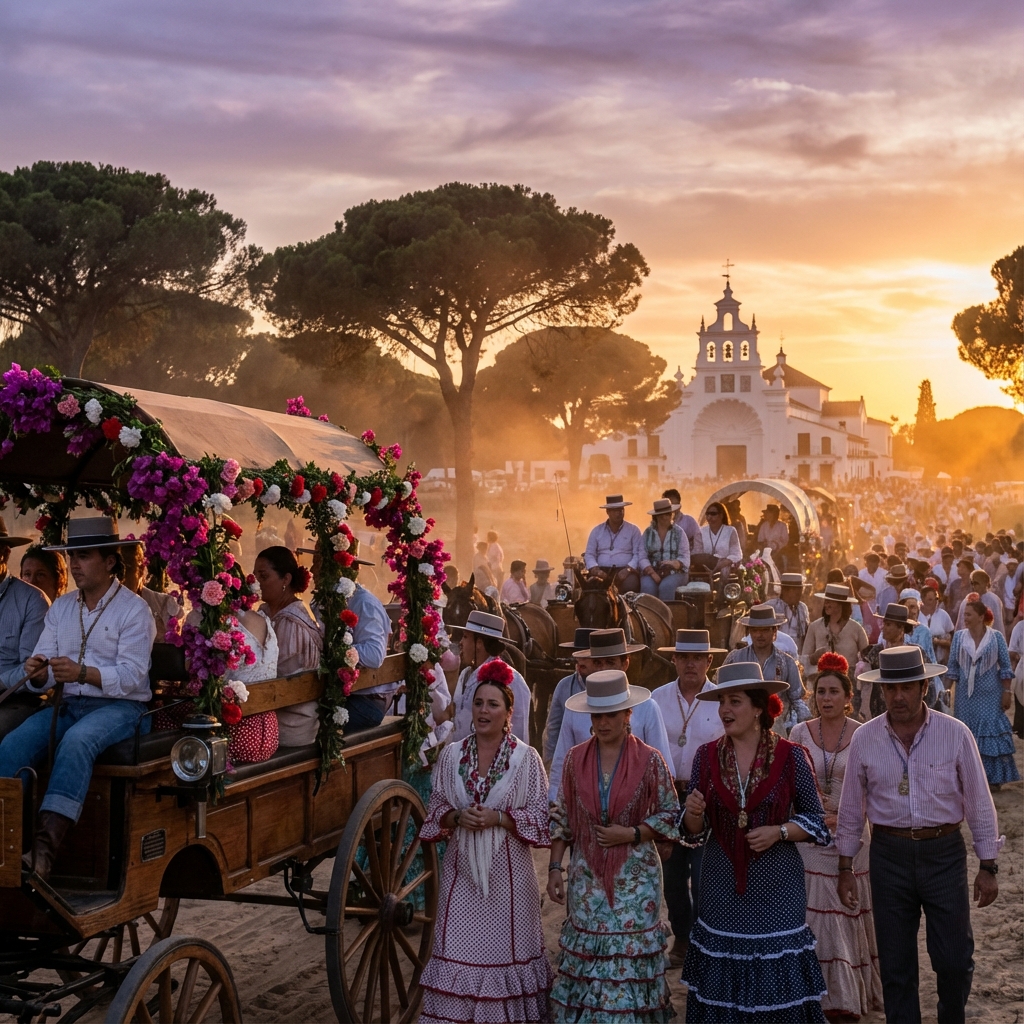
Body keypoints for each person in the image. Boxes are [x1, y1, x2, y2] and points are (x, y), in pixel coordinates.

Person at [837, 646, 1002, 1024]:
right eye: (891, 688)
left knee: (954, 959)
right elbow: (850, 809)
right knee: (896, 965)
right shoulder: (865, 739)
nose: (898, 696)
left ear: (924, 687)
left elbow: (979, 802)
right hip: (888, 855)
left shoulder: (955, 733)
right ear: (881, 690)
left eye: (907, 687)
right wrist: (845, 865)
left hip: (944, 852)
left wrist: (988, 864)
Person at [0, 518, 155, 881]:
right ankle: (6, 843)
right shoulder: (63, 608)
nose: (74, 565)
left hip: (124, 708)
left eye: (83, 556)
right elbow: (44, 669)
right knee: (12, 744)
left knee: (78, 741)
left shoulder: (134, 610)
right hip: (69, 705)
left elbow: (132, 677)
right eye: (72, 557)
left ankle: (43, 851)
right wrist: (38, 672)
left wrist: (83, 673)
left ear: (110, 562)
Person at [680, 662, 831, 1023]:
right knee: (722, 979)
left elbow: (816, 823)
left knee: (775, 977)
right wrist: (694, 812)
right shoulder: (706, 755)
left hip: (778, 885)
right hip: (720, 882)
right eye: (721, 703)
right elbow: (691, 833)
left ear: (759, 708)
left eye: (734, 701)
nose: (725, 710)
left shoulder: (791, 756)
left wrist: (779, 832)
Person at [419, 659, 552, 1022]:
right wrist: (457, 817)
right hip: (461, 876)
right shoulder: (451, 755)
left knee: (506, 957)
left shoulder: (527, 759)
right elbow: (436, 811)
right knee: (456, 953)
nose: (483, 711)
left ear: (509, 713)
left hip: (508, 883)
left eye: (493, 705)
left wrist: (500, 818)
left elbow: (542, 821)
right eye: (478, 703)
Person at [547, 669, 679, 1024]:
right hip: (585, 880)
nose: (602, 722)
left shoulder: (650, 760)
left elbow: (670, 813)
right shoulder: (575, 760)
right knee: (590, 960)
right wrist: (555, 868)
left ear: (627, 715)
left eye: (610, 714)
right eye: (597, 715)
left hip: (636, 881)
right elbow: (562, 818)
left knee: (627, 963)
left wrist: (632, 834)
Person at [790, 654, 883, 1021]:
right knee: (814, 910)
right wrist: (813, 814)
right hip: (809, 834)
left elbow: (872, 786)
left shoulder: (864, 732)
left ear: (848, 696)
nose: (825, 698)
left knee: (849, 909)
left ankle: (847, 995)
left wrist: (843, 813)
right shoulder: (799, 733)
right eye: (820, 692)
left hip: (852, 834)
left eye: (833, 692)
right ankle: (816, 994)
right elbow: (793, 784)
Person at [651, 629, 727, 967]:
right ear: (674, 659)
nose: (691, 664)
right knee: (672, 875)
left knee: (705, 875)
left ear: (709, 661)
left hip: (708, 798)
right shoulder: (656, 699)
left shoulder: (721, 698)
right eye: (684, 657)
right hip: (667, 796)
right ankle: (682, 938)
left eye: (698, 657)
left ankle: (702, 941)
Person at [547, 628, 674, 801]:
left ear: (625, 663)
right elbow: (560, 766)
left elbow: (664, 771)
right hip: (586, 805)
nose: (604, 669)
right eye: (598, 663)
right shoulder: (574, 709)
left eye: (611, 662)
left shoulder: (647, 708)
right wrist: (554, 803)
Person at [254, 546, 323, 746]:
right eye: (255, 576)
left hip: (292, 720)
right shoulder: (265, 611)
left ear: (286, 579)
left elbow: (276, 677)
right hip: (271, 712)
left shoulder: (293, 622)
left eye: (264, 576)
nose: (257, 583)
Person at [945, 596, 1018, 787]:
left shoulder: (996, 637)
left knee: (989, 733)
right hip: (964, 698)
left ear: (980, 616)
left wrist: (1006, 692)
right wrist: (945, 690)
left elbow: (1005, 666)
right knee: (966, 733)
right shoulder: (959, 637)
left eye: (969, 615)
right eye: (965, 615)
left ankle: (992, 779)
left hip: (990, 696)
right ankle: (968, 778)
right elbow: (952, 668)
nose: (965, 618)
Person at [724, 603, 809, 731]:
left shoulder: (787, 662)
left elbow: (797, 699)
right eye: (755, 630)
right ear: (750, 631)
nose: (759, 635)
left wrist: (804, 725)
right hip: (741, 725)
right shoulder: (735, 658)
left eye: (764, 630)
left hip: (777, 726)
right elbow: (721, 691)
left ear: (774, 631)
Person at [0, 524, 51, 738]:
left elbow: (32, 669)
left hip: (15, 701)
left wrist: (1, 681)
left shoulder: (33, 600)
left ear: (4, 552)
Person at [451, 610, 530, 743]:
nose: (460, 643)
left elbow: (519, 732)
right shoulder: (465, 674)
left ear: (479, 643)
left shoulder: (511, 680)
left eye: (465, 637)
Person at [222, 608, 281, 763]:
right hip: (269, 732)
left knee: (165, 718)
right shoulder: (264, 620)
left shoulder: (226, 623)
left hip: (240, 734)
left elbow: (191, 670)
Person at [543, 627, 596, 767]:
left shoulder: (612, 685)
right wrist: (550, 762)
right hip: (572, 763)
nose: (580, 662)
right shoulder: (564, 686)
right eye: (578, 656)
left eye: (586, 656)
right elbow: (553, 727)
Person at [803, 581, 870, 680]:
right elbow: (804, 660)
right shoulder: (815, 627)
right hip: (822, 680)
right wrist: (815, 657)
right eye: (826, 601)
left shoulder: (857, 629)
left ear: (842, 604)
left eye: (831, 601)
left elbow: (867, 660)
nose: (827, 604)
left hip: (849, 682)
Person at [120, 540, 181, 640]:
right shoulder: (99, 607)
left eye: (127, 570)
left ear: (141, 570)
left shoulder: (164, 605)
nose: (121, 579)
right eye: (115, 573)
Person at [584, 494, 644, 594]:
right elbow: (589, 554)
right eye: (615, 510)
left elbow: (638, 554)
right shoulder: (596, 531)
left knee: (630, 587)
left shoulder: (633, 530)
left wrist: (628, 569)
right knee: (592, 591)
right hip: (601, 571)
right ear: (608, 512)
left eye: (621, 510)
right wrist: (595, 569)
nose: (619, 513)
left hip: (625, 571)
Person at [641, 497, 690, 600]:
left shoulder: (679, 532)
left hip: (676, 572)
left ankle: (666, 615)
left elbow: (685, 556)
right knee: (647, 587)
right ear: (657, 517)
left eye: (669, 513)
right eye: (664, 514)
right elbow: (642, 556)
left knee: (666, 586)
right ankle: (647, 615)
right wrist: (652, 573)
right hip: (652, 571)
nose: (667, 517)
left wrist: (675, 563)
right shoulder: (648, 533)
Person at [954, 570, 1005, 638]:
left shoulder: (994, 600)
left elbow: (998, 624)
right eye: (972, 583)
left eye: (977, 583)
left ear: (985, 583)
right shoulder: (967, 599)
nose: (974, 586)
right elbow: (960, 624)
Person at [770, 572, 811, 652]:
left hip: (798, 655)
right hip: (778, 653)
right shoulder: (772, 606)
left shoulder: (803, 608)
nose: (800, 594)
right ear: (787, 591)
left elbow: (806, 634)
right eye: (798, 590)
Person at [918, 580, 954, 665]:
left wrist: (938, 642)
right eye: (930, 599)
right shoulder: (917, 616)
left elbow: (953, 638)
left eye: (936, 598)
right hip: (922, 662)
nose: (934, 602)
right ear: (922, 600)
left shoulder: (943, 614)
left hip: (941, 662)